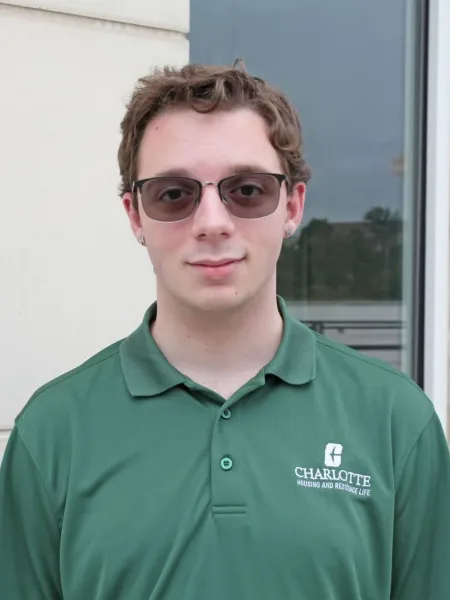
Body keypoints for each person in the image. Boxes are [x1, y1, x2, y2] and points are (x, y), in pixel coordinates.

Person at [0, 61, 449, 600]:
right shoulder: (52, 432)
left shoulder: (397, 421)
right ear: (135, 215)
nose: (212, 221)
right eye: (174, 194)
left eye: (247, 190)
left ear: (293, 205)